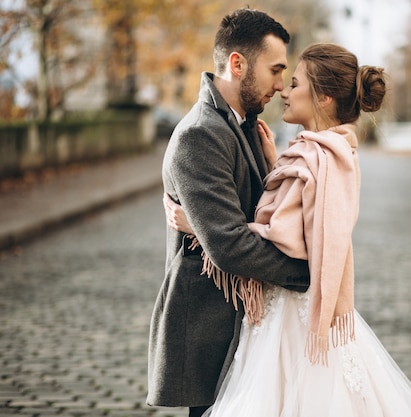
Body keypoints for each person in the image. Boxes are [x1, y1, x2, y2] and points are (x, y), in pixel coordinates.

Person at [164, 43, 411, 417]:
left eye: (293, 83)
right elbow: (300, 213)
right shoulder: (317, 153)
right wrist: (277, 164)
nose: (284, 91)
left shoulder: (322, 157)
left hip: (293, 319)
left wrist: (201, 227)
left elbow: (297, 242)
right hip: (281, 314)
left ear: (323, 97)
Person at [146, 9, 310, 417]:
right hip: (211, 332)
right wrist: (304, 273)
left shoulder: (247, 124)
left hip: (249, 324)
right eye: (275, 70)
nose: (279, 84)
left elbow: (259, 215)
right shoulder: (200, 134)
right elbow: (230, 245)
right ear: (237, 64)